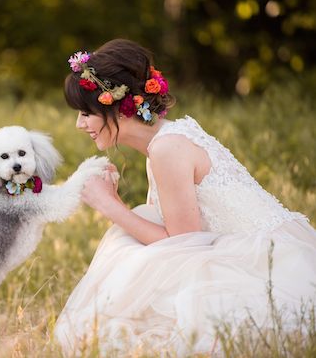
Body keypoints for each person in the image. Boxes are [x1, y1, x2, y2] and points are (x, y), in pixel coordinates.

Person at [54, 39, 316, 355]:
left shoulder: (168, 148)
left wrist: (108, 204)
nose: (80, 124)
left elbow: (184, 244)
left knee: (130, 255)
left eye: (86, 112)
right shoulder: (167, 139)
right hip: (243, 249)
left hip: (263, 264)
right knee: (135, 237)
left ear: (115, 107)